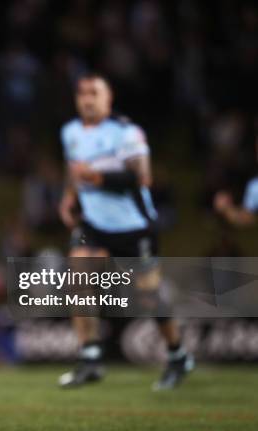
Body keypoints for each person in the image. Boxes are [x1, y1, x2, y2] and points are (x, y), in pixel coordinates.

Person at [57, 73, 193, 390]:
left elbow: (142, 178)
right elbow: (73, 169)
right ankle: (90, 357)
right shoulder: (71, 132)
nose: (87, 98)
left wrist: (97, 178)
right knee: (79, 280)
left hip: (133, 227)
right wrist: (69, 196)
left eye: (94, 92)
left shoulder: (126, 132)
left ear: (109, 97)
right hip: (94, 224)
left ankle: (177, 355)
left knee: (149, 296)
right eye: (82, 93)